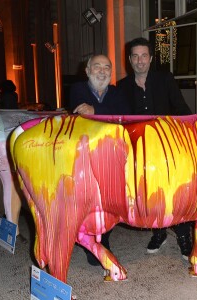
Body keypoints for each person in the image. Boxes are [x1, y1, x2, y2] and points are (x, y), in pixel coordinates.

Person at [117, 37, 193, 259]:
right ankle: (159, 232)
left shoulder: (165, 79)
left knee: (175, 193)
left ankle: (184, 236)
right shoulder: (122, 86)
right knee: (150, 194)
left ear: (150, 58)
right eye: (135, 56)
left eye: (144, 56)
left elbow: (182, 108)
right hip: (140, 151)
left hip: (167, 146)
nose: (140, 60)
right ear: (129, 60)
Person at [68, 54, 131, 265]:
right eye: (97, 67)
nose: (102, 71)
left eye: (107, 67)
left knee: (109, 201)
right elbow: (81, 111)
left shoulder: (117, 92)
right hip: (84, 157)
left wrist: (95, 111)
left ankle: (103, 239)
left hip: (111, 154)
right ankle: (89, 240)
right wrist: (109, 114)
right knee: (87, 200)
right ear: (87, 70)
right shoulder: (78, 89)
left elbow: (125, 114)